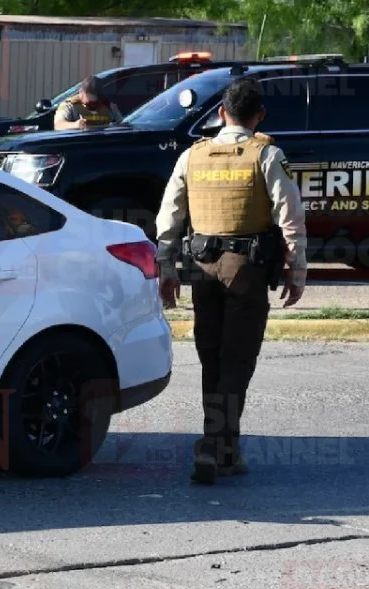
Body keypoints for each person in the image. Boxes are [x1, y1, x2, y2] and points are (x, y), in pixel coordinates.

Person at [153, 76, 306, 485]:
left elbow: (169, 217)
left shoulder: (193, 155)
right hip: (247, 269)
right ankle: (214, 444)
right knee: (237, 361)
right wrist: (297, 269)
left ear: (221, 112)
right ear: (259, 115)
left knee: (213, 358)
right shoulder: (266, 154)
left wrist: (166, 269)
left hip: (202, 268)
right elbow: (289, 216)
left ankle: (224, 447)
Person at [53, 75, 123, 130]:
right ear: (81, 92)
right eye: (89, 103)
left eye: (96, 103)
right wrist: (76, 125)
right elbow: (58, 125)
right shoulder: (69, 105)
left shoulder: (108, 105)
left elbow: (122, 125)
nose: (93, 106)